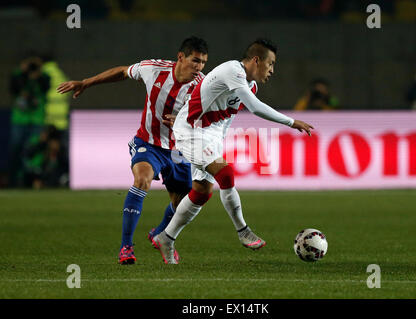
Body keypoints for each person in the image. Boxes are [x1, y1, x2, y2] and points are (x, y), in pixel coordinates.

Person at [152, 38, 314, 264]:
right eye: (271, 64)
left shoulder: (250, 85)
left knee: (202, 192)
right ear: (256, 60)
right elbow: (255, 107)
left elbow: (225, 120)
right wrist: (291, 121)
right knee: (226, 174)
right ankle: (243, 230)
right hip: (190, 131)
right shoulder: (232, 70)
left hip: (209, 136)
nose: (272, 70)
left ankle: (166, 238)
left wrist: (217, 144)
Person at [57, 36, 209, 265]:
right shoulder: (154, 69)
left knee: (184, 203)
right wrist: (86, 82)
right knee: (142, 180)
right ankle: (126, 247)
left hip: (179, 150)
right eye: (195, 61)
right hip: (148, 143)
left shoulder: (203, 85)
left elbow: (209, 120)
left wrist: (184, 122)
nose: (199, 68)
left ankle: (159, 234)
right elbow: (122, 72)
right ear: (181, 57)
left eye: (203, 63)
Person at [9, 55, 50, 187]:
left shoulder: (44, 76)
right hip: (20, 119)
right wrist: (23, 73)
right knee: (16, 150)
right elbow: (13, 88)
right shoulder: (19, 75)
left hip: (37, 119)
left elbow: (45, 88)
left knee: (35, 151)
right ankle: (14, 182)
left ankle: (34, 180)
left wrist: (38, 74)